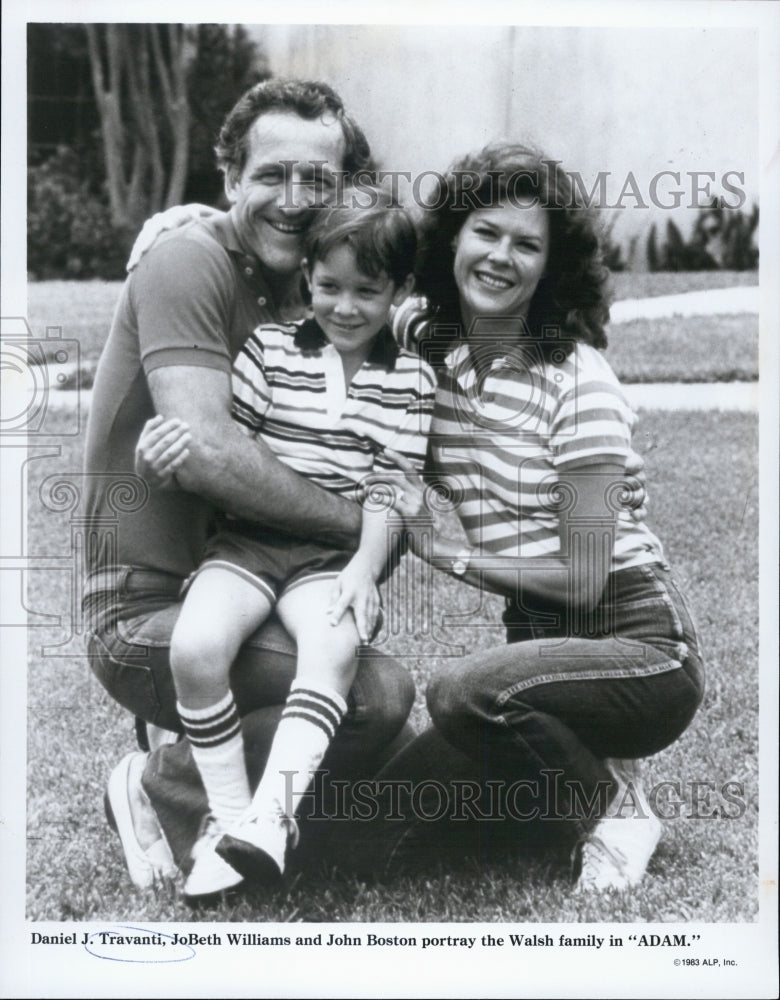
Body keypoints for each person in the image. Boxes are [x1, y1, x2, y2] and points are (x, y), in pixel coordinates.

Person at [82, 79, 417, 894]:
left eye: (318, 180)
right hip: (145, 606)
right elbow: (204, 452)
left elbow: (390, 276)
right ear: (230, 178)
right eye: (271, 175)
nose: (295, 199)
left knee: (369, 715)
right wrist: (369, 523)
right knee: (374, 697)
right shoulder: (188, 257)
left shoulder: (306, 285)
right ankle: (164, 788)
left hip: (251, 585)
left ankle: (232, 810)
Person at [350, 142, 706, 892]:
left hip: (637, 646)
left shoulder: (580, 381)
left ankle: (615, 807)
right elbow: (333, 284)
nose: (500, 256)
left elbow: (580, 580)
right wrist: (184, 227)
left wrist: (442, 549)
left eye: (527, 244)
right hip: (533, 657)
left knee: (460, 691)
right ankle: (564, 788)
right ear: (453, 239)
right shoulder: (428, 346)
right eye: (486, 232)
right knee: (369, 826)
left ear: (552, 267)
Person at [135, 193, 435, 901]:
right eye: (329, 286)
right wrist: (155, 461)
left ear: (400, 290)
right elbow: (219, 451)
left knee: (331, 642)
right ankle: (228, 819)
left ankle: (273, 815)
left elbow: (393, 488)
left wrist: (365, 569)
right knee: (195, 647)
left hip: (329, 561)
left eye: (368, 290)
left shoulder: (412, 378)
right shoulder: (270, 349)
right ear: (308, 278)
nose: (347, 306)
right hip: (246, 545)